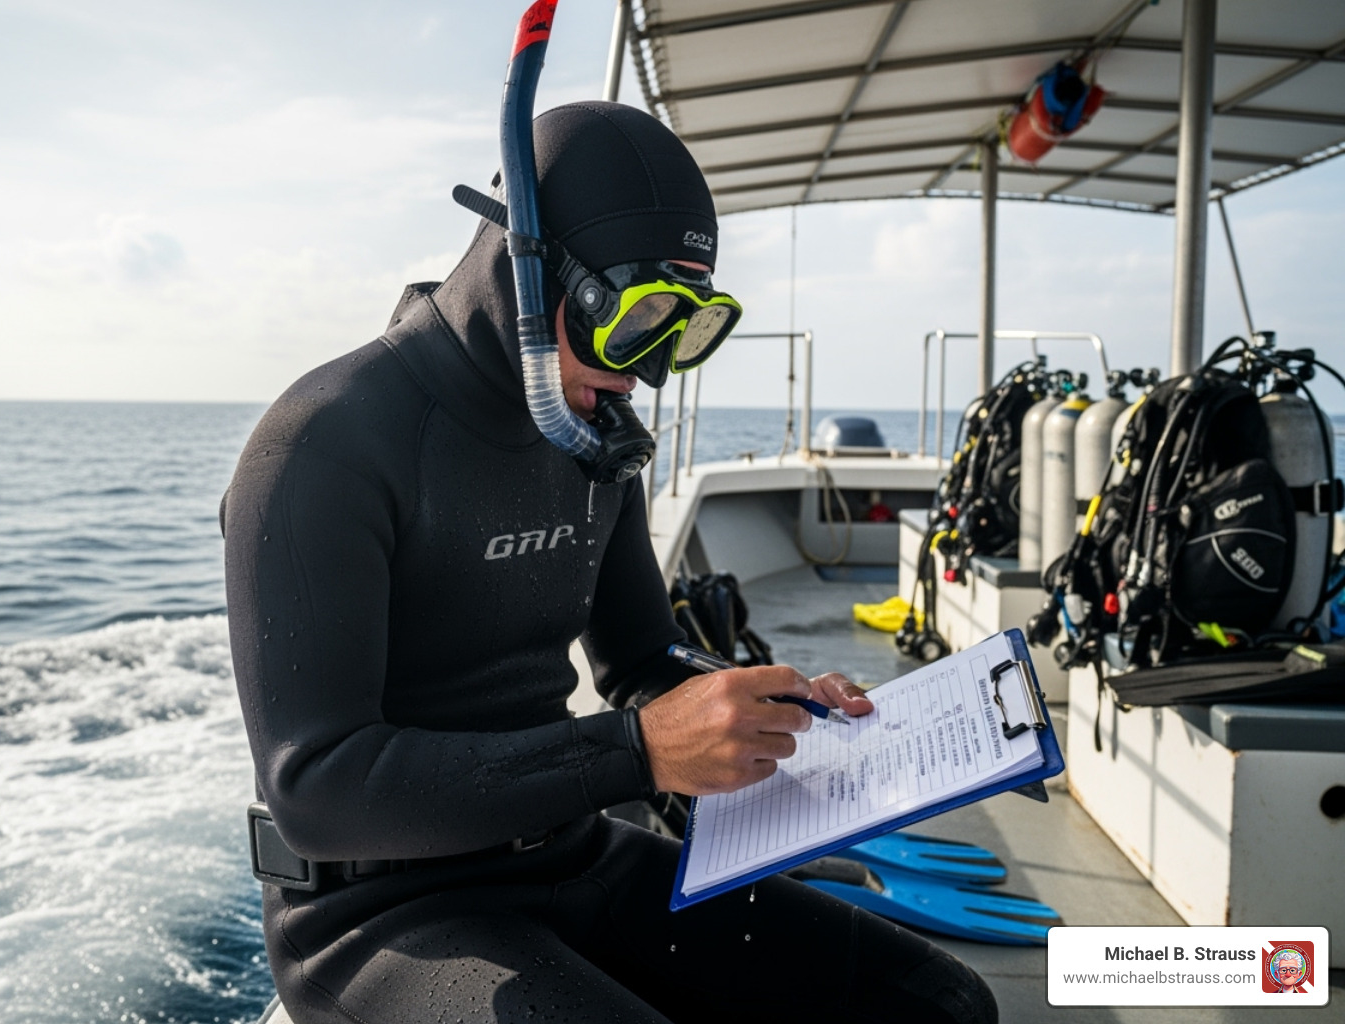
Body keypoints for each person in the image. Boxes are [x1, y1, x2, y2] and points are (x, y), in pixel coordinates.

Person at [222, 100, 997, 1024]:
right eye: (636, 321)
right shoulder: (322, 443)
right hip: (377, 916)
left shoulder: (591, 437)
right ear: (529, 263)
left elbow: (640, 665)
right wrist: (637, 752)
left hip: (569, 853)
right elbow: (319, 789)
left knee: (940, 1004)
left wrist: (766, 706)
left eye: (685, 328)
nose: (645, 373)